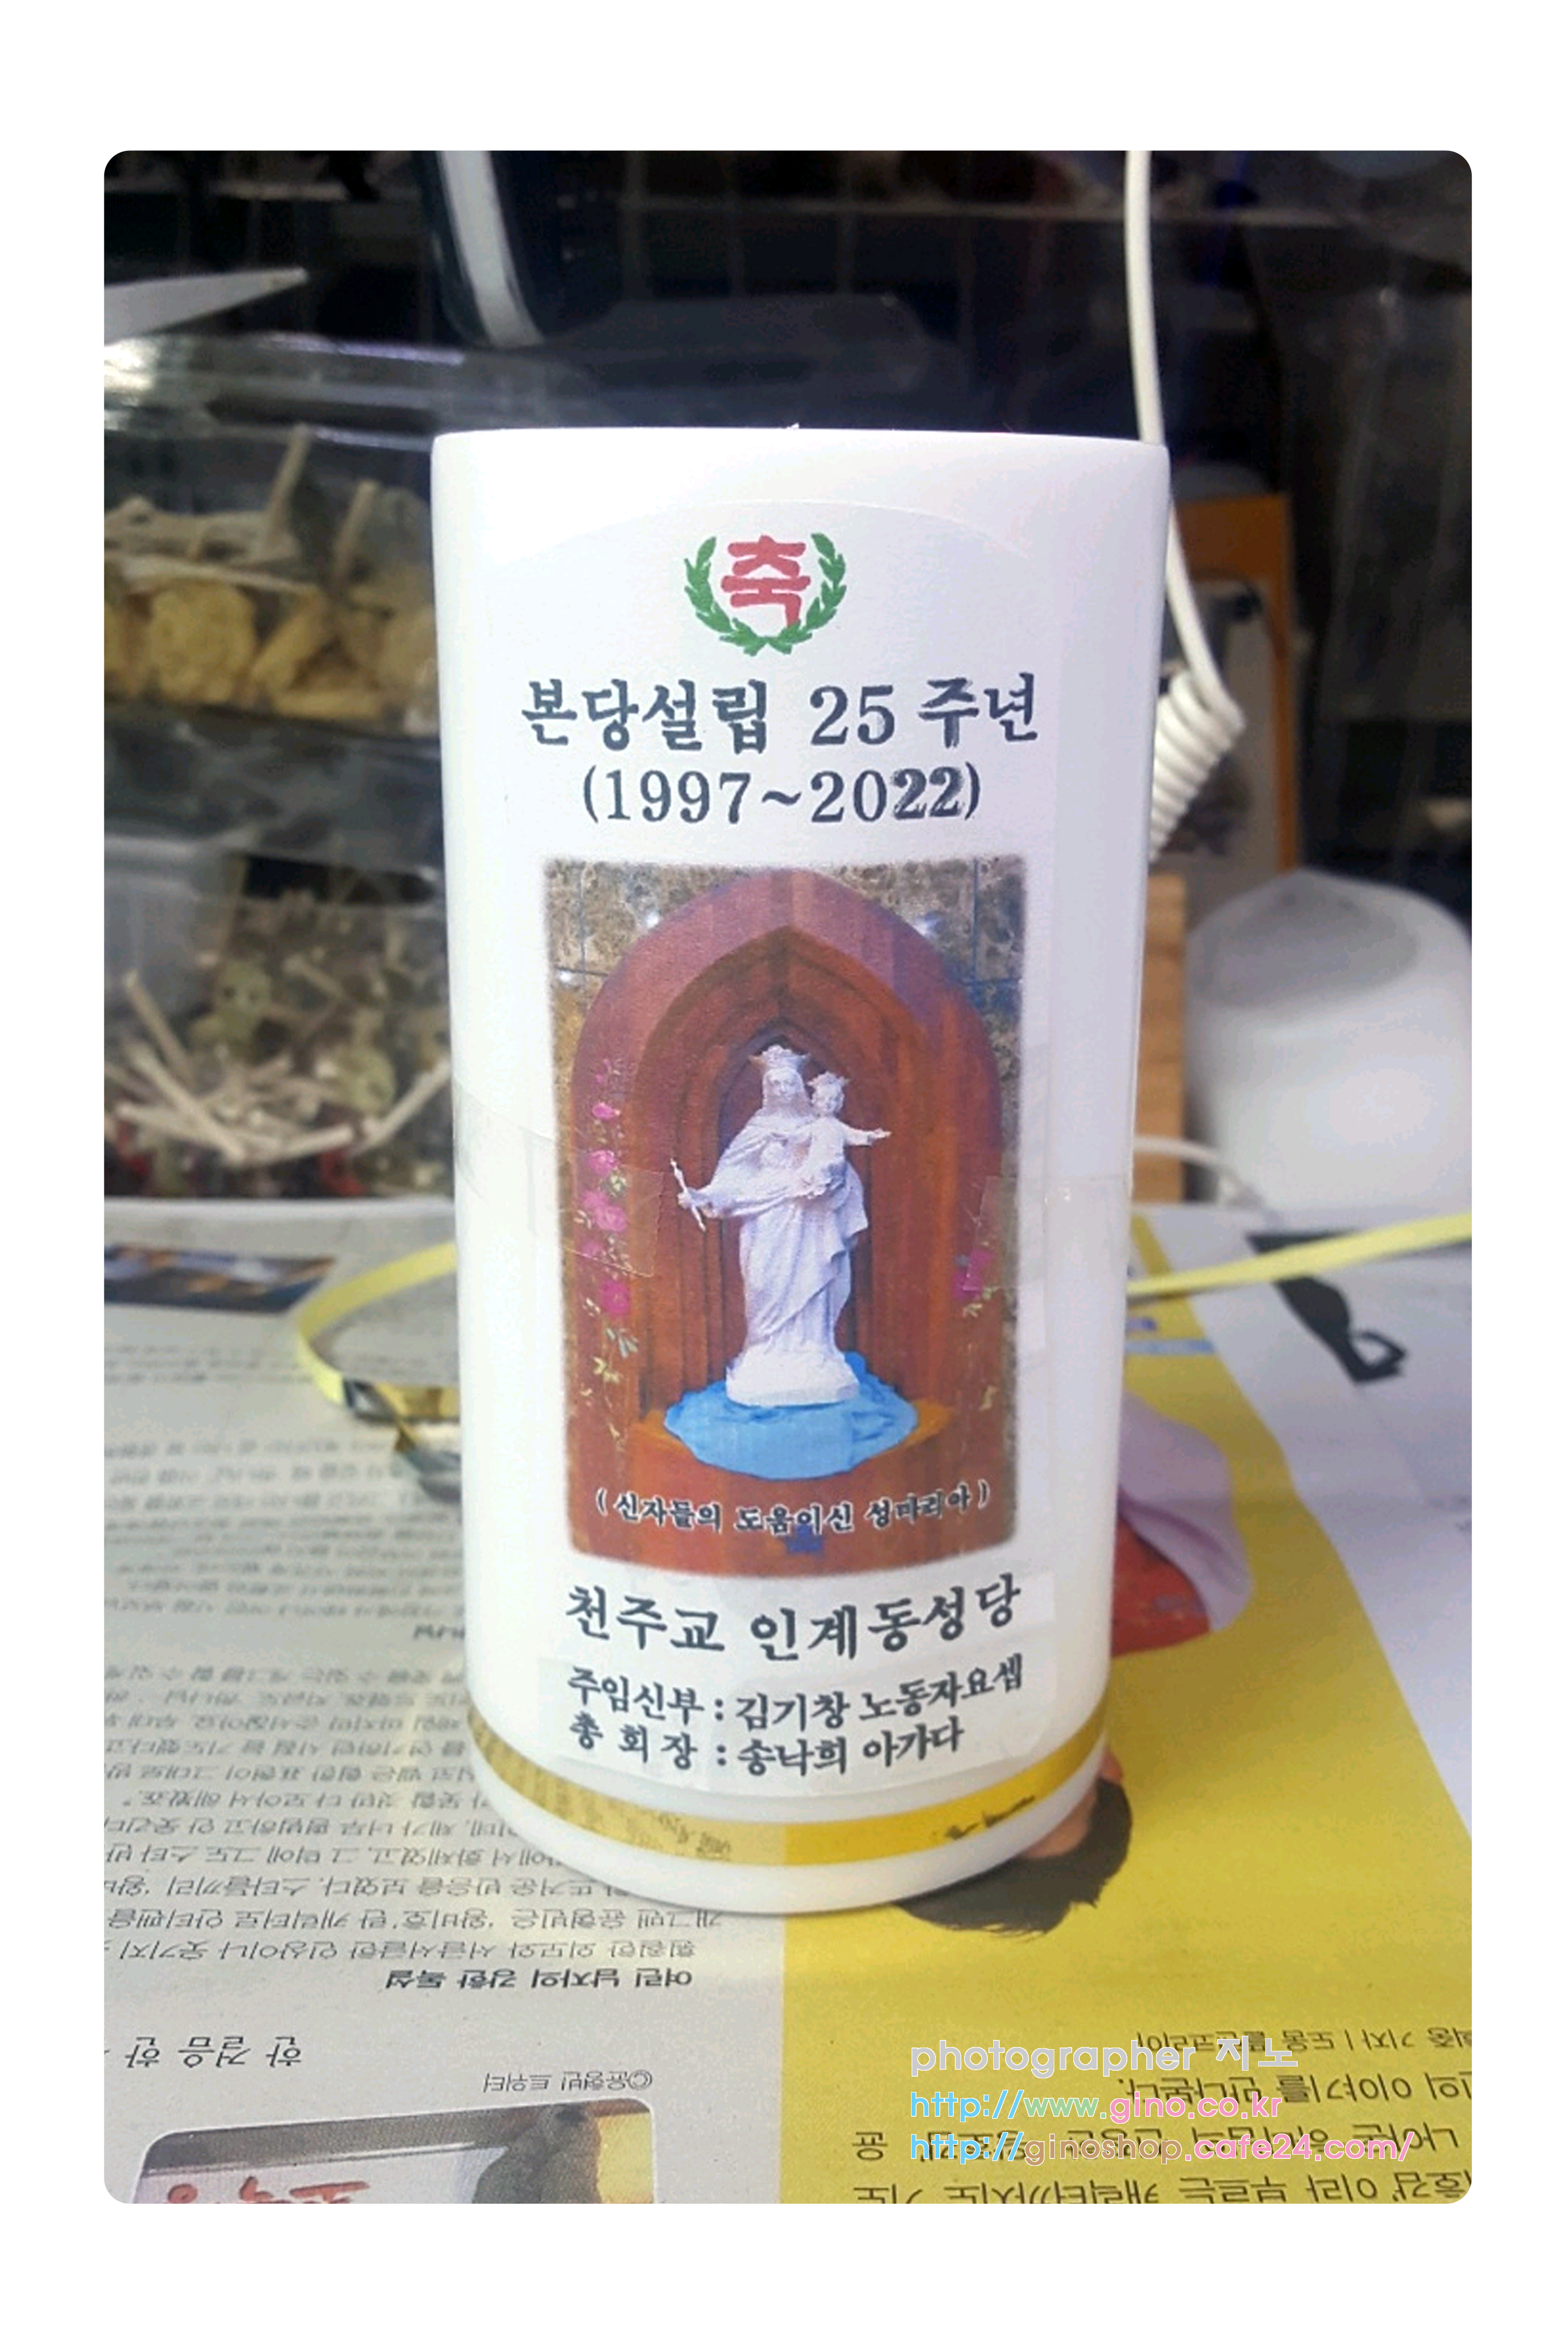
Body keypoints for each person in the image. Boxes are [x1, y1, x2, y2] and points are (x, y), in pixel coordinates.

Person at [678, 1046, 887, 1409]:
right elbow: (733, 1173)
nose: (782, 1090)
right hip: (766, 1214)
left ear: (799, 1087)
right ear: (766, 1089)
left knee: (813, 1276)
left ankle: (813, 1348)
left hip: (810, 1218)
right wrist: (703, 1195)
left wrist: (831, 1181)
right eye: (775, 1084)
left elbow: (838, 1164)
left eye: (788, 1083)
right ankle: (765, 1350)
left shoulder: (818, 1126)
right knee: (762, 1279)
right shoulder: (758, 1129)